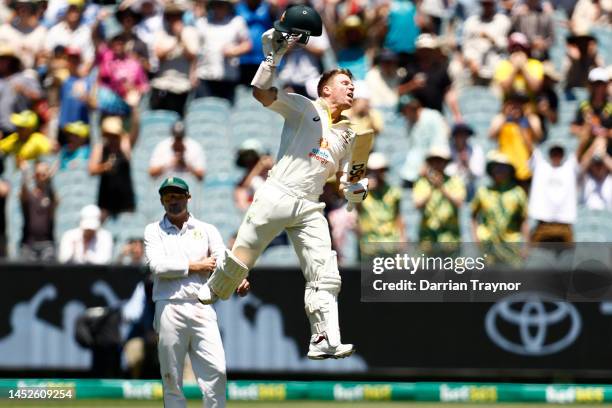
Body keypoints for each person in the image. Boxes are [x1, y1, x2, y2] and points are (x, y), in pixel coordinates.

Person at [198, 19, 366, 360]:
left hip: (310, 205)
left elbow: (350, 181)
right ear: (325, 90)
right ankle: (213, 291)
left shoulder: (352, 135)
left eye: (353, 85)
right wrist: (271, 60)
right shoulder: (304, 108)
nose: (352, 89)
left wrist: (356, 190)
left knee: (325, 272)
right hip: (277, 193)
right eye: (344, 83)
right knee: (242, 257)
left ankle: (324, 339)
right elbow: (261, 94)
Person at [144, 176, 249, 407]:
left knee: (217, 370)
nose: (174, 201)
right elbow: (157, 266)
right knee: (171, 377)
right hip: (168, 305)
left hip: (202, 306)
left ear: (188, 198)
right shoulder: (153, 231)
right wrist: (196, 265)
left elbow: (222, 259)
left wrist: (237, 279)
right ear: (161, 200)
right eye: (168, 196)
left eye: (178, 196)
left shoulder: (206, 229)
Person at [356, 152, 405, 259]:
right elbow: (355, 211)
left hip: (389, 243)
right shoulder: (361, 192)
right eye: (372, 171)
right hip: (369, 244)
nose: (375, 174)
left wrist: (402, 237)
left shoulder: (393, 192)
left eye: (379, 171)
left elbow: (398, 215)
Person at [413, 146, 466, 244]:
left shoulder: (455, 181)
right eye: (434, 161)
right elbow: (417, 204)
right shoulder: (422, 182)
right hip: (428, 237)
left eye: (440, 161)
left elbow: (459, 203)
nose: (437, 164)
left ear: (446, 163)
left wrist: (441, 187)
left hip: (450, 237)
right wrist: (432, 187)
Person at [89, 115, 136, 219]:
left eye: (115, 135)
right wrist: (104, 167)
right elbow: (91, 170)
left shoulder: (125, 146)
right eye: (109, 135)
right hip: (105, 201)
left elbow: (135, 131)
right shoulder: (100, 148)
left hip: (125, 201)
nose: (112, 139)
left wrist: (134, 110)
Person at [20, 161, 58, 261]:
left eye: (43, 174)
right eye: (38, 174)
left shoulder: (50, 195)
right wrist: (25, 175)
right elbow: (23, 195)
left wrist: (50, 180)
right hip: (29, 244)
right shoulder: (29, 195)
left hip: (47, 243)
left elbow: (55, 201)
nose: (41, 177)